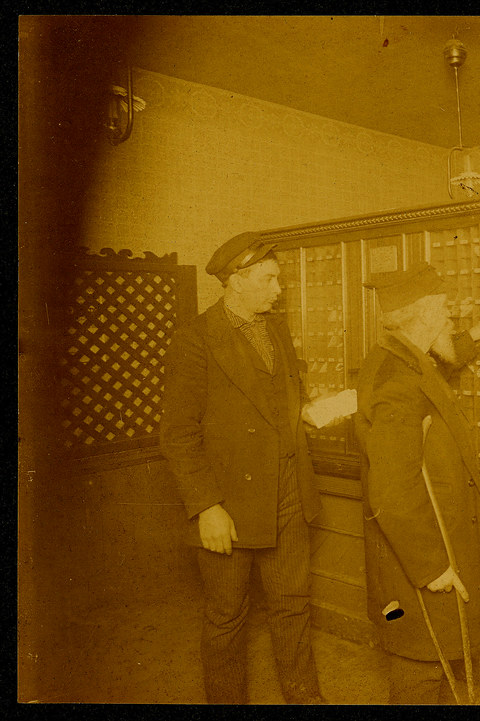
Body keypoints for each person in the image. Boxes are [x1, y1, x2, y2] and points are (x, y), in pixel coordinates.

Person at [160, 231, 326, 704]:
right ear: (236, 280)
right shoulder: (194, 340)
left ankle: (305, 700)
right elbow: (178, 434)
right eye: (270, 279)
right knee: (227, 618)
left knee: (293, 610)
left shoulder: (274, 329)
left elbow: (281, 403)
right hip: (228, 506)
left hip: (290, 495)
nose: (279, 289)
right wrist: (207, 506)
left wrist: (312, 409)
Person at [352, 262, 480, 704]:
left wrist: (471, 339)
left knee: (436, 666)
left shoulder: (400, 359)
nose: (450, 316)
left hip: (430, 545)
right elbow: (391, 492)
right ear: (419, 314)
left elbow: (433, 375)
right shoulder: (398, 383)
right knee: (420, 672)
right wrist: (432, 568)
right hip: (419, 559)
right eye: (443, 309)